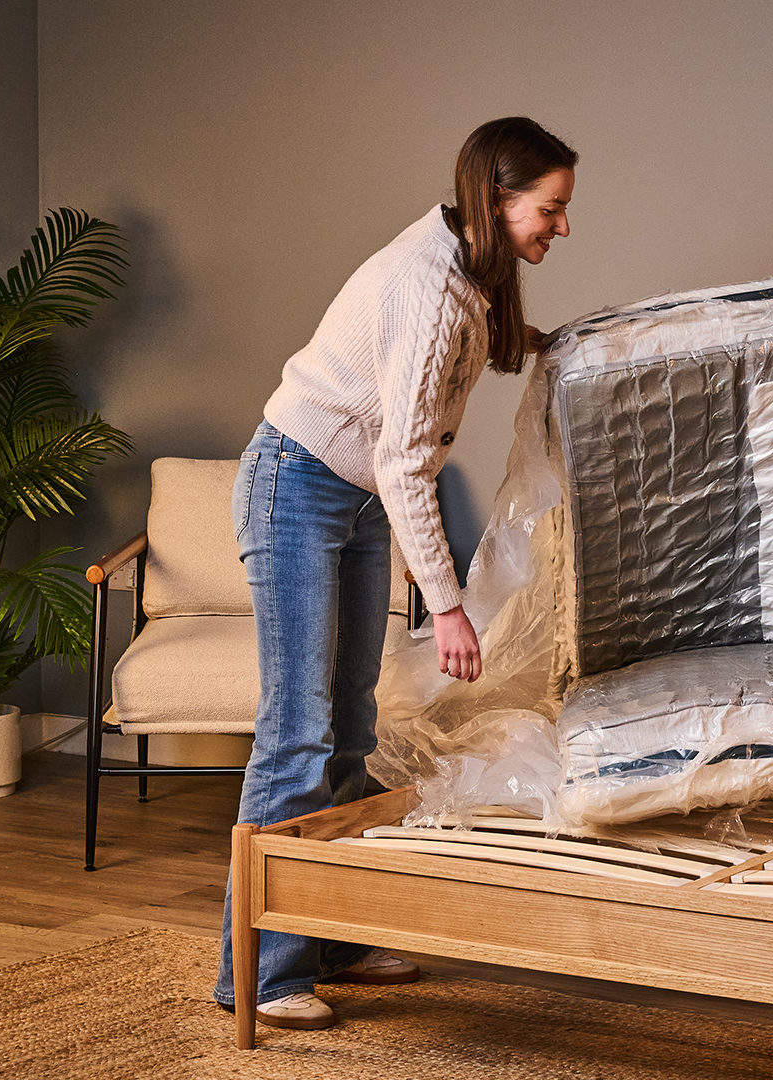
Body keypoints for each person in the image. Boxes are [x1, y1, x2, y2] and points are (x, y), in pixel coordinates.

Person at [213, 116, 579, 1030]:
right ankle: (255, 974)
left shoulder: (472, 263)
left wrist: (557, 345)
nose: (561, 228)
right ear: (499, 199)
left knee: (348, 726)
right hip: (298, 486)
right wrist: (448, 609)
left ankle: (324, 936)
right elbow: (406, 464)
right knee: (296, 731)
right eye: (551, 209)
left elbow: (483, 352)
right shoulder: (428, 287)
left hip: (352, 492)